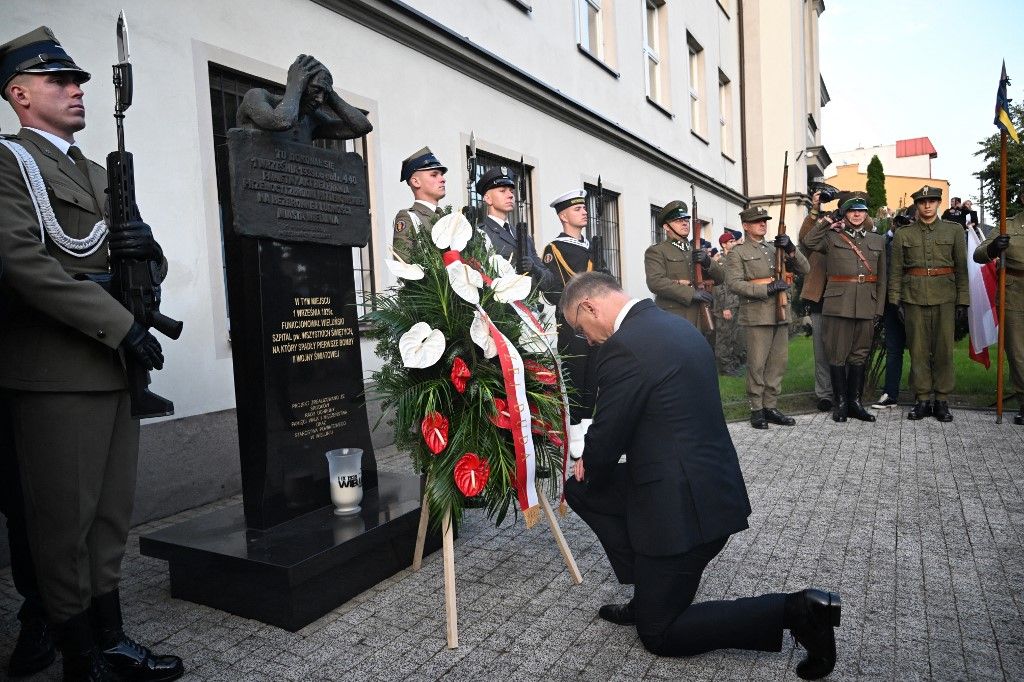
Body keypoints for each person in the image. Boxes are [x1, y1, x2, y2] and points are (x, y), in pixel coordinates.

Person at [0, 27, 183, 680]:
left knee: (109, 521)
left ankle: (109, 639)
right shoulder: (9, 165)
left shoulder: (97, 170)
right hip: (56, 376)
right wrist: (119, 324)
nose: (77, 89)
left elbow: (142, 261)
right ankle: (80, 656)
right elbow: (22, 262)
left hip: (111, 373)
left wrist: (146, 253)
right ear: (20, 95)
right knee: (61, 528)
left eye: (78, 80)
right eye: (60, 81)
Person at [560, 271, 841, 680]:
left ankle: (798, 611)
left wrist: (589, 457)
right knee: (581, 489)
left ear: (590, 307)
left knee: (659, 633)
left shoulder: (625, 347)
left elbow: (609, 434)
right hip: (712, 490)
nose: (585, 339)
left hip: (683, 514)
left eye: (580, 328)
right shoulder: (675, 326)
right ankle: (648, 586)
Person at [889, 185, 969, 422]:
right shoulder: (904, 234)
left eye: (932, 201)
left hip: (945, 297)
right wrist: (895, 300)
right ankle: (922, 399)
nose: (927, 205)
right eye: (923, 202)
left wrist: (962, 300)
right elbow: (895, 271)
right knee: (918, 350)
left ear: (938, 203)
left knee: (944, 350)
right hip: (913, 298)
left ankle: (942, 400)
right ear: (917, 205)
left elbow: (962, 269)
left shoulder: (954, 231)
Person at [725, 207, 810, 429]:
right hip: (757, 313)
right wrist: (767, 289)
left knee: (777, 363)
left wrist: (791, 248)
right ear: (746, 226)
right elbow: (734, 284)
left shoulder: (775, 248)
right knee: (757, 364)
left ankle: (771, 406)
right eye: (757, 221)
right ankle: (756, 409)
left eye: (764, 221)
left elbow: (805, 268)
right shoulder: (738, 252)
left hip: (780, 311)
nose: (763, 224)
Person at [803, 197, 886, 422]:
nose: (857, 215)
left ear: (866, 214)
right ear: (845, 214)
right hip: (838, 304)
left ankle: (855, 403)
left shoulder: (877, 240)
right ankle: (840, 404)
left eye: (861, 211)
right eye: (852, 211)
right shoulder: (831, 237)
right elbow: (809, 242)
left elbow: (882, 279)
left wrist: (878, 308)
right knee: (837, 354)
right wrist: (827, 220)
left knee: (860, 354)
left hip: (866, 303)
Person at [236, 54, 372, 145]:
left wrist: (330, 93)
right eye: (316, 90)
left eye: (325, 95)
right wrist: (294, 83)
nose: (320, 100)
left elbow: (361, 127)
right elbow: (281, 121)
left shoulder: (312, 120)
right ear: (300, 85)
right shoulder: (256, 97)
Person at [643, 201, 726, 333]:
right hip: (674, 316)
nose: (684, 223)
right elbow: (655, 282)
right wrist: (691, 293)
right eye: (678, 220)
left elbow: (721, 277)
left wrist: (707, 262)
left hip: (701, 315)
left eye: (686, 220)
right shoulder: (657, 251)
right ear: (666, 226)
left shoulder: (695, 250)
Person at [974, 216, 1023, 425]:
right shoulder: (1008, 224)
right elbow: (979, 254)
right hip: (1013, 293)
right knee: (1017, 352)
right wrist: (994, 247)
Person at [475, 167, 555, 289]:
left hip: (529, 305)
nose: (510, 195)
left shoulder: (523, 236)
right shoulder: (481, 233)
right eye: (502, 191)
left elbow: (549, 280)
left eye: (511, 191)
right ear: (487, 198)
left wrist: (534, 269)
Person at [872, 208, 914, 409]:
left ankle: (922, 395)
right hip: (893, 303)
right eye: (901, 222)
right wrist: (892, 230)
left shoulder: (920, 240)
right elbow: (881, 250)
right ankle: (890, 393)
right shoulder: (889, 241)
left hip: (916, 302)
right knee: (893, 350)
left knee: (921, 351)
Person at [392, 146, 447, 258]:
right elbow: (404, 265)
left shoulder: (446, 217)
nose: (443, 179)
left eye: (441, 175)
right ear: (416, 182)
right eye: (434, 175)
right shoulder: (409, 217)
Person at [713, 229, 746, 375]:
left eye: (734, 241)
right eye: (731, 242)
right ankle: (724, 367)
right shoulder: (720, 263)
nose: (734, 243)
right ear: (724, 245)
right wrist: (725, 307)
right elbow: (720, 287)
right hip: (725, 306)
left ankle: (732, 364)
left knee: (734, 337)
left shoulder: (735, 260)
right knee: (724, 338)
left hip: (736, 303)